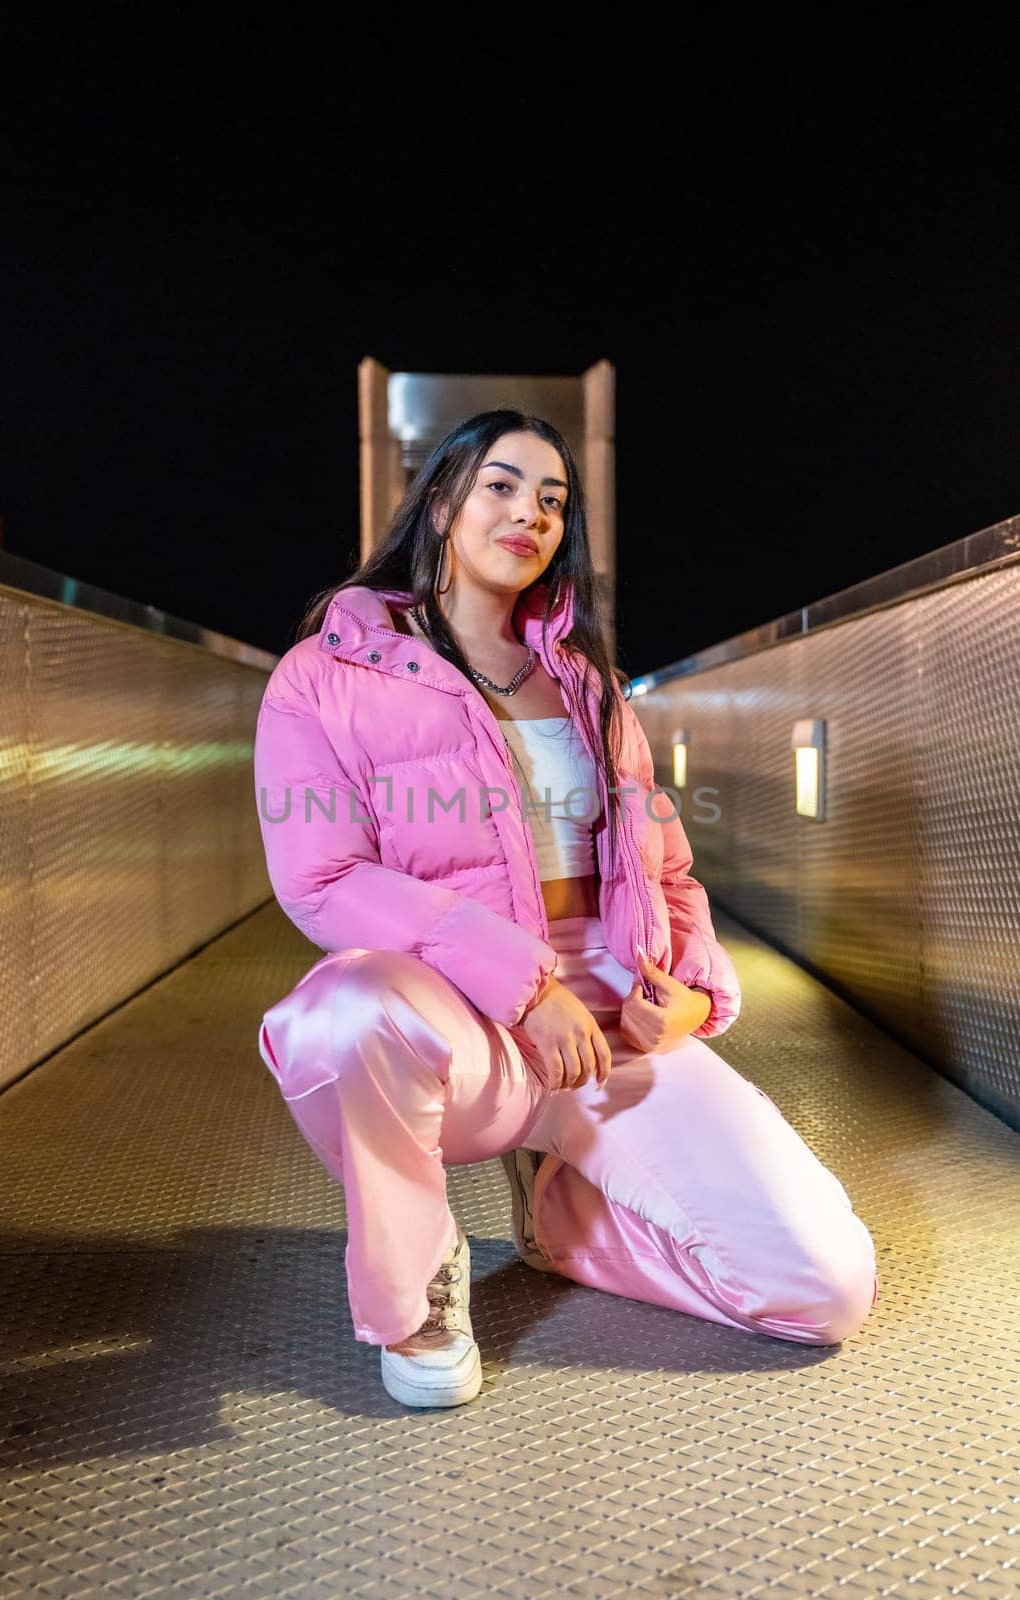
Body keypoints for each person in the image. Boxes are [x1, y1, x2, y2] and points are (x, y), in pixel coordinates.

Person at [253, 408, 878, 1409]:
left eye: (551, 499)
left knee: (821, 1289)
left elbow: (662, 862)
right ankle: (416, 1285)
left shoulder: (583, 684)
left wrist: (691, 992)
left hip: (607, 1027)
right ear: (442, 499)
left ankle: (556, 1220)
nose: (529, 514)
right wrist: (519, 979)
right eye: (500, 485)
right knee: (344, 1013)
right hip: (456, 1017)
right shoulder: (320, 679)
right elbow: (322, 877)